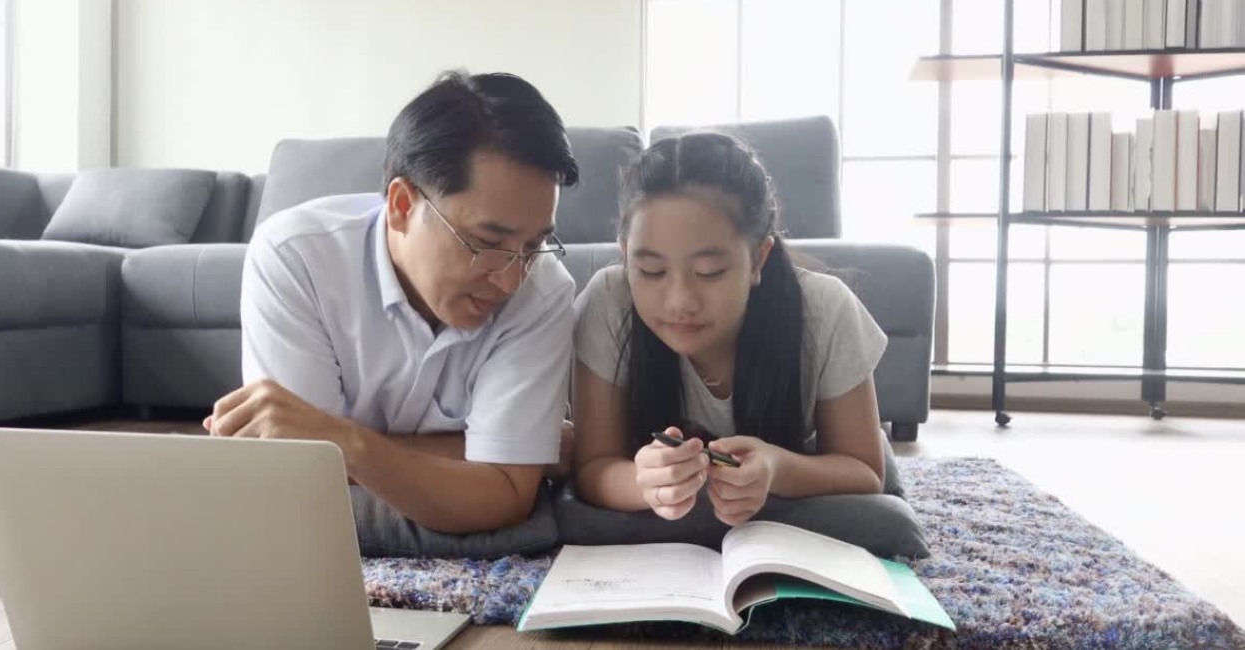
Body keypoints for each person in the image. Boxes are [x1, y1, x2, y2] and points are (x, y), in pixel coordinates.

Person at [202, 71, 579, 535]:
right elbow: (301, 472)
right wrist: (494, 449)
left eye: (534, 244)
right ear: (402, 205)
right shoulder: (296, 259)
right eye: (487, 241)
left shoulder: (544, 289)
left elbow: (502, 496)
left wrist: (343, 443)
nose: (511, 278)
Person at [571, 132, 887, 526]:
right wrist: (645, 484)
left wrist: (776, 468)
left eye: (709, 272)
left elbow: (866, 473)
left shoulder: (825, 309)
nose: (680, 300)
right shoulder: (608, 300)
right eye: (651, 271)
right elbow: (592, 468)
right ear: (624, 254)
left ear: (759, 258)